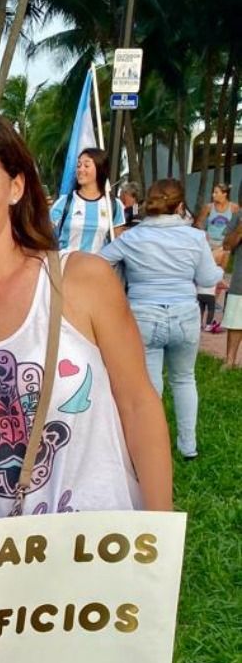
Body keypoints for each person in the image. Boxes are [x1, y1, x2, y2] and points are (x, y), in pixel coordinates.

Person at [0, 109, 173, 516]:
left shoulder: (81, 279)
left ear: (16, 186)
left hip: (97, 553)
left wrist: (161, 537)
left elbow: (139, 405)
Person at [98, 178, 222, 459]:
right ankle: (188, 447)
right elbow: (206, 278)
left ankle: (150, 447)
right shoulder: (194, 237)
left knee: (149, 386)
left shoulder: (131, 237)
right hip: (184, 315)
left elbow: (101, 261)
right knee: (184, 379)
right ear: (179, 206)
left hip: (143, 315)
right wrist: (218, 266)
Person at [50, 147, 125, 251]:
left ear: (100, 169)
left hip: (98, 265)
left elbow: (118, 244)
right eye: (78, 165)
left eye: (86, 165)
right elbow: (44, 235)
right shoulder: (64, 202)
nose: (81, 169)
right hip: (67, 265)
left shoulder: (114, 205)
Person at [194, 183, 236, 332]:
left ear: (225, 194)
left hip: (224, 245)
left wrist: (232, 238)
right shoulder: (208, 207)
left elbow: (238, 223)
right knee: (210, 273)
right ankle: (205, 303)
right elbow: (198, 221)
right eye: (213, 192)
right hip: (209, 244)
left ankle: (213, 302)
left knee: (219, 274)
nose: (213, 195)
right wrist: (203, 231)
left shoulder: (233, 208)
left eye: (217, 192)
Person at [222, 212, 242, 366]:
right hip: (240, 279)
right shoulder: (239, 215)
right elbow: (227, 244)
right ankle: (229, 361)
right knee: (236, 321)